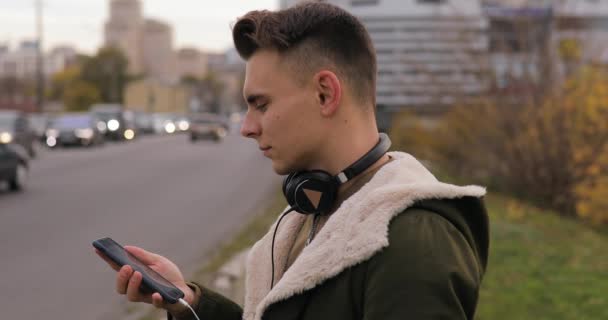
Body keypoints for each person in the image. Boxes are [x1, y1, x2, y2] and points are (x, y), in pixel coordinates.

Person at [95, 2, 489, 320]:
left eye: (261, 105)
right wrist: (190, 303)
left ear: (324, 94)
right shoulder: (319, 207)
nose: (247, 128)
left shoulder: (411, 240)